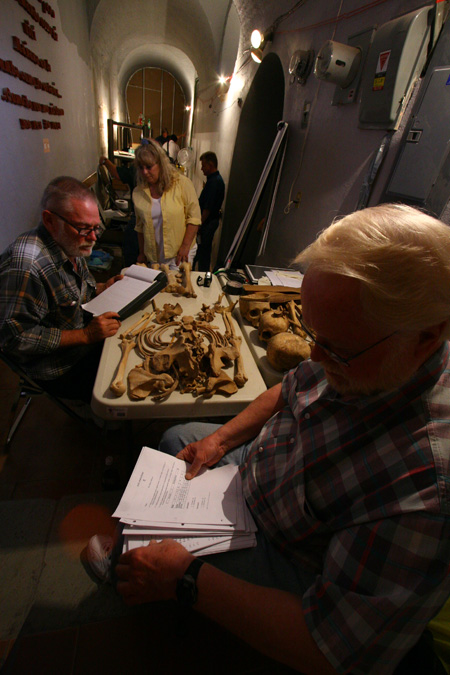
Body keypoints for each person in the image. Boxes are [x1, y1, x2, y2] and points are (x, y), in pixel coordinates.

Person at [113, 204, 450, 674]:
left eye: (335, 348)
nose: (314, 354)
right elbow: (287, 388)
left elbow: (332, 648)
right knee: (177, 438)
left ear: (426, 339)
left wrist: (188, 578)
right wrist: (223, 441)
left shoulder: (426, 490)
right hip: (262, 468)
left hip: (287, 552)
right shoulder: (368, 354)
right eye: (315, 335)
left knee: (147, 554)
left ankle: (156, 584)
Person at [0, 176, 122, 402]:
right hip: (58, 367)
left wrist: (103, 288)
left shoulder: (70, 243)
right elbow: (14, 338)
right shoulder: (28, 266)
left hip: (83, 341)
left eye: (96, 228)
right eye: (84, 228)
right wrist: (85, 335)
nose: (94, 238)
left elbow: (76, 295)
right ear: (50, 221)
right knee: (125, 383)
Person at [133, 140, 201, 270]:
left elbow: (194, 219)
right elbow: (140, 227)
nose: (144, 172)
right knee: (157, 288)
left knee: (176, 288)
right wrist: (142, 253)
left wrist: (185, 247)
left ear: (161, 164)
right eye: (141, 167)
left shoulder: (182, 184)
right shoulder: (138, 193)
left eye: (149, 167)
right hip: (154, 255)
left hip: (180, 253)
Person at [99, 154, 139, 267]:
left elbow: (116, 173)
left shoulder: (137, 170)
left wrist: (105, 161)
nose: (145, 172)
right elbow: (117, 173)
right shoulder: (136, 171)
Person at [193, 151, 225, 272]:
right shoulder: (213, 180)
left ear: (210, 165)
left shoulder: (214, 182)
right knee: (202, 252)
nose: (201, 168)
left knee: (203, 252)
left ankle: (202, 276)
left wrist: (198, 225)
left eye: (203, 165)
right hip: (209, 222)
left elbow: (207, 208)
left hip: (208, 223)